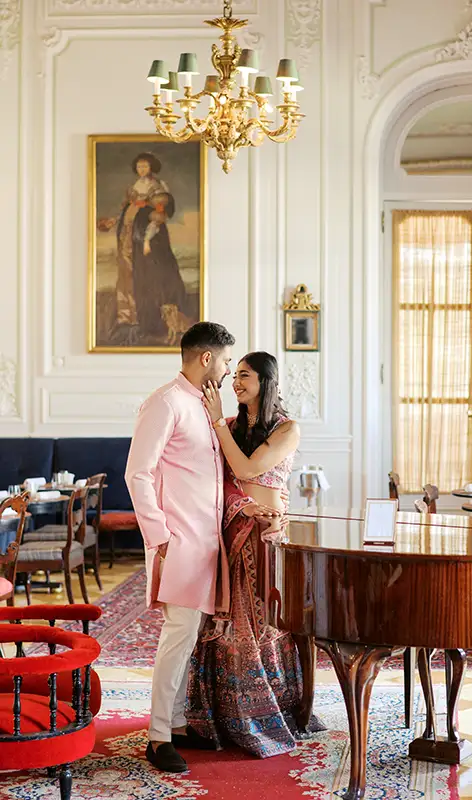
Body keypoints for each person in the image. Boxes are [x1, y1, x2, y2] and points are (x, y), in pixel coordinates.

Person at [125, 323, 277, 774]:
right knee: (177, 636)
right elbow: (138, 473)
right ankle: (157, 738)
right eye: (228, 361)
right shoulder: (165, 402)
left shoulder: (206, 408)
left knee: (188, 634)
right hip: (179, 540)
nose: (230, 370)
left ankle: (172, 723)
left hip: (206, 539)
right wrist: (161, 537)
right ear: (207, 359)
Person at [186, 351, 324, 757]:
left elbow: (248, 469)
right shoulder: (228, 426)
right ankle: (231, 716)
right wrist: (241, 506)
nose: (236, 382)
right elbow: (220, 480)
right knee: (231, 622)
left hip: (270, 536)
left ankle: (275, 709)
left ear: (266, 381)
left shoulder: (288, 429)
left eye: (245, 376)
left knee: (271, 621)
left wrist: (216, 423)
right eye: (236, 376)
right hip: (234, 532)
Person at [98, 152, 189, 346]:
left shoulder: (158, 186)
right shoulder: (133, 187)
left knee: (147, 273)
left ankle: (149, 320)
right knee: (127, 272)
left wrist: (149, 214)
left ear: (152, 167)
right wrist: (113, 221)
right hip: (126, 234)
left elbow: (161, 211)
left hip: (146, 235)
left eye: (145, 166)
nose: (142, 170)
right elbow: (125, 208)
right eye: (139, 167)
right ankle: (127, 317)